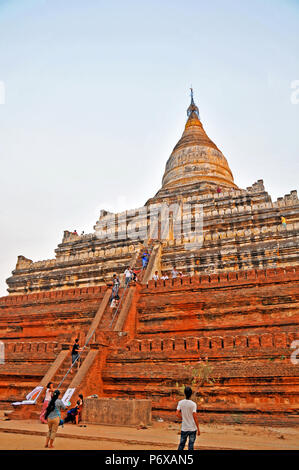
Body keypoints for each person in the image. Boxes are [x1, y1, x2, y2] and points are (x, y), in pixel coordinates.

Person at [176, 386, 200, 451]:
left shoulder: (180, 402)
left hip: (184, 428)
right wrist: (198, 428)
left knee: (181, 444)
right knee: (191, 446)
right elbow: (195, 417)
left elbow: (177, 414)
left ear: (184, 393)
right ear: (191, 394)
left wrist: (183, 418)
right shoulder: (193, 404)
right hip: (192, 428)